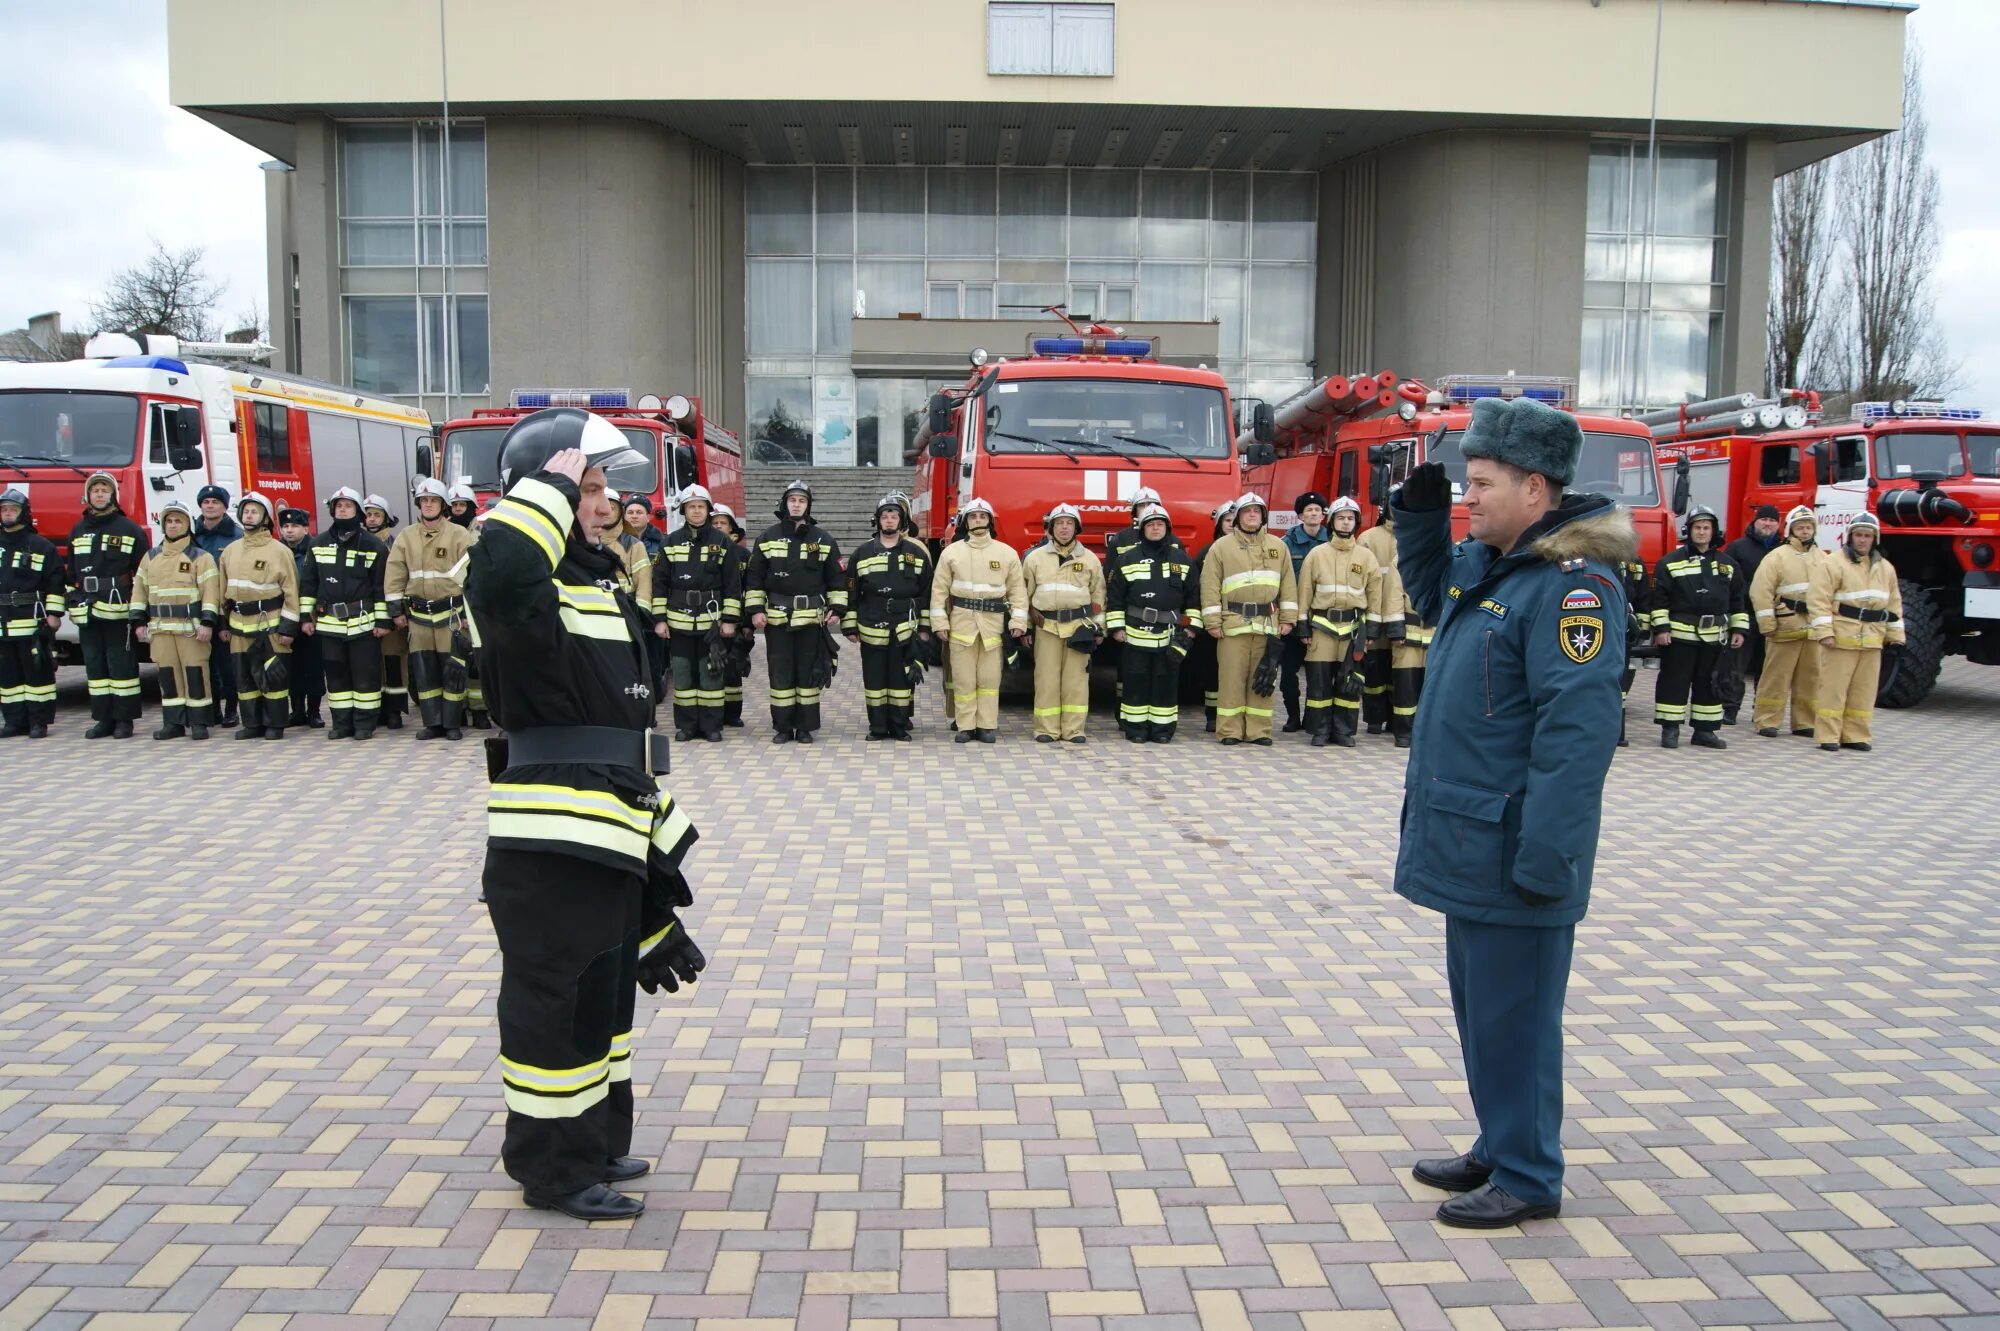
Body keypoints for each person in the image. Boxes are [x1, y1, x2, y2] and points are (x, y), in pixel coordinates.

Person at [1391, 395, 1633, 1229]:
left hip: (1516, 849)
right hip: (1474, 839)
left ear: (1536, 489)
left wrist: (1549, 853)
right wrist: (1418, 515)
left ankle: (1529, 1173)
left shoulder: (1571, 591)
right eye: (1465, 481)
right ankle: (1501, 1140)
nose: (1469, 495)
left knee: (1518, 1017)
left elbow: (1579, 733)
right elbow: (1431, 596)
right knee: (1483, 1012)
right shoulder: (1498, 567)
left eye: (1481, 482)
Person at [467, 408, 707, 1221]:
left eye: (606, 487)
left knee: (604, 1002)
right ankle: (553, 1170)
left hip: (607, 821)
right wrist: (546, 487)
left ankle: (596, 1142)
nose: (604, 502)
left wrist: (650, 893)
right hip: (552, 836)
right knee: (556, 1007)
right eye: (588, 487)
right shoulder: (519, 588)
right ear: (543, 495)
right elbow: (501, 574)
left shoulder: (596, 579)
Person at [745, 480, 845, 744]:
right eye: (792, 500)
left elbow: (837, 578)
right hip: (777, 618)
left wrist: (836, 608)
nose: (797, 504)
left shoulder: (823, 539)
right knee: (780, 673)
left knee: (808, 673)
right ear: (784, 504)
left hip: (811, 619)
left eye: (802, 501)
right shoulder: (767, 538)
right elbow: (754, 579)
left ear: (808, 506)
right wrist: (755, 610)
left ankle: (805, 727)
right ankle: (782, 727)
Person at [1199, 493, 1298, 746]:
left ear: (1263, 516)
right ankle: (1230, 730)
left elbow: (1288, 585)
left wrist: (1288, 619)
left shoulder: (1279, 546)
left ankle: (1259, 731)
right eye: (1246, 511)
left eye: (1257, 511)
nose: (1252, 515)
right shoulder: (1221, 547)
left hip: (1268, 624)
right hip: (1234, 624)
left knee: (1263, 679)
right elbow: (1209, 585)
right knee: (1232, 681)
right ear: (1238, 517)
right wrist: (1212, 621)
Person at [1647, 505, 1747, 750]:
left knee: (1710, 684)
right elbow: (1659, 600)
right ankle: (1670, 728)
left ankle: (1705, 730)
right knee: (1675, 682)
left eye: (1706, 528)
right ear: (1688, 531)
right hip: (1679, 636)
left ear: (1714, 532)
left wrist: (1739, 630)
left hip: (1715, 638)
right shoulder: (1669, 563)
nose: (1702, 532)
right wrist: (1661, 629)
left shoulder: (1728, 565)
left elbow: (1738, 600)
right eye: (1697, 528)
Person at [930, 497, 1027, 743]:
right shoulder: (951, 553)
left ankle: (986, 725)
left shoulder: (1006, 553)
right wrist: (939, 623)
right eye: (973, 517)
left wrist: (1017, 622)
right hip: (961, 624)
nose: (978, 520)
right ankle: (965, 726)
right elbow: (939, 591)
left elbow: (1018, 592)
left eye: (983, 517)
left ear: (990, 521)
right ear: (965, 521)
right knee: (963, 679)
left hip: (993, 626)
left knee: (989, 678)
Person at [387, 478, 476, 740]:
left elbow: (472, 577)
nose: (428, 505)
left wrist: (469, 615)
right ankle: (432, 723)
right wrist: (396, 611)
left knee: (452, 668)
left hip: (450, 614)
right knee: (424, 671)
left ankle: (452, 724)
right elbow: (395, 573)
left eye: (433, 500)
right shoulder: (406, 536)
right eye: (424, 501)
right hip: (419, 616)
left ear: (443, 505)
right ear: (418, 504)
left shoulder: (459, 535)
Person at [301, 486, 391, 740]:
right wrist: (305, 617)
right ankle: (341, 724)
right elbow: (308, 584)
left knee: (365, 677)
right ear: (332, 510)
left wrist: (383, 620)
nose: (343, 510)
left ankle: (364, 724)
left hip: (363, 623)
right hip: (330, 624)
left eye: (348, 506)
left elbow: (381, 587)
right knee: (336, 678)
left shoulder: (373, 545)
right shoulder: (318, 544)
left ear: (359, 511)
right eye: (339, 506)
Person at [1809, 510, 1902, 753]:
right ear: (1850, 536)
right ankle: (1828, 735)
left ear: (1875, 538)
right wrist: (1824, 632)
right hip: (1841, 637)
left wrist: (1895, 635)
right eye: (1858, 535)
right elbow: (1819, 600)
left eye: (1867, 535)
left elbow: (1894, 604)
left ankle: (1855, 734)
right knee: (1833, 690)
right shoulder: (1832, 564)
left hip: (1872, 639)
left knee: (1864, 691)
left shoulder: (1886, 569)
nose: (1862, 540)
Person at [1105, 503, 1199, 743]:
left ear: (1167, 528)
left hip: (1170, 634)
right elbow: (1115, 597)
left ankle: (1162, 730)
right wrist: (1116, 628)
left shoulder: (1183, 560)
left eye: (1160, 525)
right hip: (1135, 633)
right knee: (1136, 681)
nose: (1155, 529)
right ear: (1142, 529)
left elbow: (1194, 597)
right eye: (1150, 525)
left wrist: (1190, 629)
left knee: (1165, 682)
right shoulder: (1127, 559)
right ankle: (1135, 729)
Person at [1296, 496, 1383, 748]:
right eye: (1341, 518)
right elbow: (1305, 592)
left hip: (1353, 630)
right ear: (1331, 521)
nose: (1345, 523)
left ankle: (1344, 731)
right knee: (1319, 683)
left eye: (1350, 518)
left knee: (1349, 683)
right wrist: (1303, 626)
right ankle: (1319, 729)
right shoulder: (1317, 554)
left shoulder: (1366, 557)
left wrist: (1371, 631)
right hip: (1322, 627)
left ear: (1356, 523)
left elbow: (1375, 596)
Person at [654, 485, 740, 743]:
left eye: (701, 506)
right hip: (678, 620)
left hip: (711, 623)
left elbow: (733, 583)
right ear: (683, 510)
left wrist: (730, 620)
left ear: (708, 510)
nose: (696, 511)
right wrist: (659, 619)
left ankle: (712, 726)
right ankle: (687, 726)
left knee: (711, 673)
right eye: (691, 507)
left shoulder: (722, 541)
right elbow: (659, 582)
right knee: (682, 673)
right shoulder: (670, 541)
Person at [845, 493, 934, 741]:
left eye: (894, 516)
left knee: (900, 680)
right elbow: (851, 592)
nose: (889, 521)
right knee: (874, 680)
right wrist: (850, 626)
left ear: (901, 520)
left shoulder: (915, 553)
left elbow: (926, 593)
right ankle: (877, 728)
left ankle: (898, 726)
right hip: (872, 626)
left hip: (904, 628)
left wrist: (924, 627)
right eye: (884, 516)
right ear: (878, 521)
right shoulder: (861, 553)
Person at [131, 499, 221, 741]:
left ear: (187, 525)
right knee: (168, 677)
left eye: (178, 521)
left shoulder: (200, 557)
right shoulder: (150, 557)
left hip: (191, 630)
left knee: (196, 675)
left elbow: (211, 593)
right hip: (160, 630)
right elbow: (139, 590)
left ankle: (199, 722)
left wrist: (208, 622)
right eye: (168, 521)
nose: (172, 525)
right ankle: (173, 723)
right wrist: (138, 621)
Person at [68, 471, 147, 738]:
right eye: (95, 490)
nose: (99, 494)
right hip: (87, 613)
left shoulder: (129, 529)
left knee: (121, 668)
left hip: (117, 612)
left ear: (113, 495)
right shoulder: (78, 531)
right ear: (87, 496)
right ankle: (103, 719)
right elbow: (71, 575)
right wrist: (73, 600)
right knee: (96, 669)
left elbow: (143, 575)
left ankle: (124, 720)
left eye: (104, 490)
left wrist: (138, 612)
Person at [216, 493, 300, 740]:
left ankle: (275, 725)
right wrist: (223, 624)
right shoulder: (230, 551)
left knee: (273, 679)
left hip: (270, 626)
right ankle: (252, 724)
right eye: (246, 511)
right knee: (244, 679)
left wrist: (287, 628)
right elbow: (222, 592)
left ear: (265, 517)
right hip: (239, 626)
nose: (249, 515)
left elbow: (292, 592)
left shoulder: (279, 551)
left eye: (254, 511)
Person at [1023, 503, 1105, 743]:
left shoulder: (1090, 559)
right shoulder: (1034, 558)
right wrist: (1026, 627)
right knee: (1046, 679)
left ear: (1076, 528)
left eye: (1069, 523)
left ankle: (1074, 730)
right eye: (1059, 523)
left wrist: (1099, 628)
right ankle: (1046, 729)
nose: (1064, 528)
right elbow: (1024, 595)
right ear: (1051, 528)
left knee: (1076, 681)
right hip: (1046, 626)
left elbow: (1098, 597)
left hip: (1079, 629)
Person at [1748, 505, 1825, 739]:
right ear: (1791, 530)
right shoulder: (1776, 557)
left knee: (1811, 679)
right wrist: (1768, 624)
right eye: (1800, 527)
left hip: (1812, 629)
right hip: (1784, 627)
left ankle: (1805, 722)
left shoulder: (1822, 558)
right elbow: (1760, 591)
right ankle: (1767, 720)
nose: (1804, 531)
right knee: (1775, 678)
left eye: (1808, 527)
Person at [1358, 505, 1425, 749]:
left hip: (1401, 616)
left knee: (1401, 675)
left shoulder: (1415, 537)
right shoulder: (1369, 538)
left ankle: (1398, 722)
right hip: (1378, 610)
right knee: (1376, 671)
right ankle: (1375, 718)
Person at [0, 486, 64, 739]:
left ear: (24, 513)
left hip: (32, 620)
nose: (7, 514)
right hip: (3, 622)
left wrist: (54, 613)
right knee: (7, 674)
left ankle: (39, 721)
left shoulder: (40, 546)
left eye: (12, 510)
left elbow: (56, 581)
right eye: (3, 510)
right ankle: (14, 721)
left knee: (37, 672)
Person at [1718, 504, 1782, 724]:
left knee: (1768, 669)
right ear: (1755, 522)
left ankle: (1762, 710)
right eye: (1763, 519)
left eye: (1772, 520)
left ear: (1778, 524)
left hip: (1774, 619)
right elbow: (1725, 582)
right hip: (1745, 615)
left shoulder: (1783, 550)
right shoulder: (1738, 548)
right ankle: (1730, 709)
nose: (1767, 524)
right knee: (1736, 667)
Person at [191, 483, 243, 727]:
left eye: (215, 502)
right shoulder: (192, 535)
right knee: (206, 664)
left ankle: (232, 709)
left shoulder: (236, 535)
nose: (210, 506)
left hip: (226, 608)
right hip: (199, 608)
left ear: (224, 507)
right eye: (206, 502)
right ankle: (212, 710)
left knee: (227, 665)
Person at [1279, 492, 1332, 732]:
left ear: (1323, 515)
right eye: (1308, 510)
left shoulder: (1332, 540)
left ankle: (1314, 718)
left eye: (1317, 510)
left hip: (1321, 619)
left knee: (1317, 673)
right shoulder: (1286, 543)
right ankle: (1292, 716)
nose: (1313, 514)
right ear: (1300, 515)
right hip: (1293, 617)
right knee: (1289, 673)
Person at [362, 495, 409, 729]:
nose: (371, 519)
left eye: (377, 514)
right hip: (366, 615)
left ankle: (395, 711)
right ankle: (377, 709)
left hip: (391, 615)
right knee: (372, 665)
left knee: (393, 663)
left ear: (387, 518)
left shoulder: (395, 544)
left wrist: (398, 611)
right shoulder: (358, 544)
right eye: (368, 514)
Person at [446, 482, 490, 726]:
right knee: (454, 662)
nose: (458, 510)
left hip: (474, 606)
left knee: (477, 661)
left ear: (472, 508)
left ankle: (480, 710)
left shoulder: (480, 537)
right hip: (451, 607)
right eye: (454, 505)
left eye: (463, 505)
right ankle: (458, 709)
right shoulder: (445, 536)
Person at [277, 507, 326, 728]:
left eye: (295, 526)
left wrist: (313, 616)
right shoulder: (277, 551)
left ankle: (314, 711)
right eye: (285, 526)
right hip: (286, 618)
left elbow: (321, 583)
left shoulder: (316, 549)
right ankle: (296, 710)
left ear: (305, 528)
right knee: (292, 666)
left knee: (313, 665)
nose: (289, 531)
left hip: (311, 618)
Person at [1190, 501, 1234, 731]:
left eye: (1235, 520)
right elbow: (1198, 589)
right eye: (1227, 520)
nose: (1232, 524)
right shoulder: (1207, 553)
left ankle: (1231, 714)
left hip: (1238, 619)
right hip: (1213, 621)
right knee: (1212, 670)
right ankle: (1212, 715)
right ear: (1219, 524)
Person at [710, 504, 753, 727]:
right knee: (713, 668)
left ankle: (733, 715)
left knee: (734, 669)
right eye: (714, 523)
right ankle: (715, 714)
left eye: (722, 523)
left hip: (736, 621)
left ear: (731, 528)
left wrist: (747, 624)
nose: (718, 527)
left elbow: (750, 591)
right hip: (709, 620)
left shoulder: (744, 555)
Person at [1103, 486, 1170, 559]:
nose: (1147, 508)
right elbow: (1111, 569)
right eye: (1141, 505)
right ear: (1135, 510)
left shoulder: (1173, 540)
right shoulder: (1120, 539)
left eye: (1151, 504)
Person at [624, 496, 666, 561]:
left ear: (648, 517)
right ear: (625, 517)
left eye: (639, 512)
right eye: (630, 512)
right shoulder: (615, 540)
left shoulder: (662, 544)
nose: (634, 516)